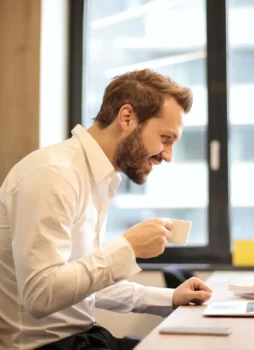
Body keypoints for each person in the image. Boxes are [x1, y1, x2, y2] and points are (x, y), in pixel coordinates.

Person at [0, 69, 212, 350]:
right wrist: (126, 248)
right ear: (127, 118)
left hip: (82, 339)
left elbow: (83, 285)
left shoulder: (99, 177)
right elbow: (41, 296)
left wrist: (170, 298)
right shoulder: (54, 175)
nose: (167, 155)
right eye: (165, 138)